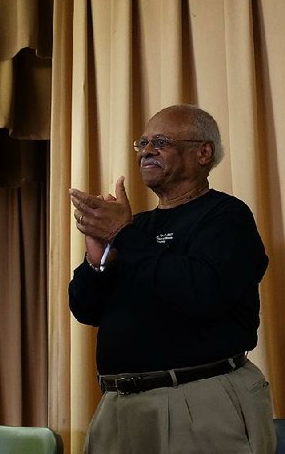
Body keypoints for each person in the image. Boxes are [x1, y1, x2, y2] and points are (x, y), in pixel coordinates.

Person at [68, 104, 275, 454]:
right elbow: (86, 310)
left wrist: (123, 234)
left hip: (198, 402)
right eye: (143, 143)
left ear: (203, 153)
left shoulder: (227, 217)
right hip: (120, 407)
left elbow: (202, 293)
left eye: (160, 141)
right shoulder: (139, 227)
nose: (147, 151)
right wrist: (97, 258)